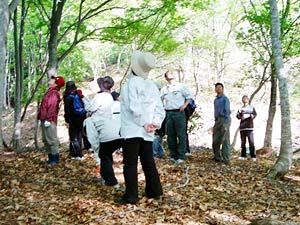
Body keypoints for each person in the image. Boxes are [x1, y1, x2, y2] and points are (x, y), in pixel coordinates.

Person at [115, 50, 165, 205]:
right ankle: (154, 191)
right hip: (147, 131)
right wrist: (154, 123)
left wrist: (144, 123)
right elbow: (159, 108)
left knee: (130, 164)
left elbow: (133, 106)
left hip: (132, 129)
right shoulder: (152, 86)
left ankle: (131, 196)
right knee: (148, 161)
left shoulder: (131, 84)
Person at [84, 76, 122, 188]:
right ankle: (106, 177)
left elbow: (93, 139)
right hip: (118, 134)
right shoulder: (109, 97)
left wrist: (96, 149)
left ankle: (112, 182)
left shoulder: (91, 117)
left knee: (104, 156)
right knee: (107, 156)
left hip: (108, 135)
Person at [160, 70, 193, 163]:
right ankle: (173, 155)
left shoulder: (181, 86)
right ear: (165, 78)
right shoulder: (164, 89)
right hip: (169, 113)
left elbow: (189, 97)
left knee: (181, 134)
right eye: (168, 74)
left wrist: (184, 105)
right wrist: (162, 108)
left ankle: (181, 155)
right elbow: (159, 99)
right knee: (170, 135)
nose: (170, 75)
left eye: (171, 73)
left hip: (179, 112)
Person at [38, 75, 65, 165]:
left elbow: (52, 107)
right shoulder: (50, 92)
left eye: (53, 80)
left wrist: (49, 120)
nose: (50, 80)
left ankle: (54, 160)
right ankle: (50, 159)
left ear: (56, 84)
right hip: (44, 118)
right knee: (46, 139)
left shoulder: (53, 93)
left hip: (49, 120)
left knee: (52, 140)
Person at [63, 81, 86, 161]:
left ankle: (78, 155)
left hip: (73, 120)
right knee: (79, 136)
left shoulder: (68, 97)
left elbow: (67, 111)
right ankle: (74, 153)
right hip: (81, 118)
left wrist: (67, 121)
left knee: (73, 137)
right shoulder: (78, 95)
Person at [212, 82, 231, 165]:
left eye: (220, 87)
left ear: (222, 89)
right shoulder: (215, 100)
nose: (218, 89)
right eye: (217, 87)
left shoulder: (225, 99)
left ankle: (226, 158)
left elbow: (227, 110)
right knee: (215, 139)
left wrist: (226, 123)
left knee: (225, 139)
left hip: (224, 119)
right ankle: (217, 156)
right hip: (217, 120)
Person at [236, 95, 257, 161]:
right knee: (243, 142)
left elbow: (255, 114)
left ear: (248, 100)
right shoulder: (240, 108)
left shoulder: (252, 107)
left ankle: (253, 156)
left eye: (246, 98)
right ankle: (243, 156)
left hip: (249, 127)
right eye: (244, 98)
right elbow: (237, 116)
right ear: (242, 100)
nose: (245, 99)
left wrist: (250, 117)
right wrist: (240, 117)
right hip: (242, 127)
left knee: (251, 142)